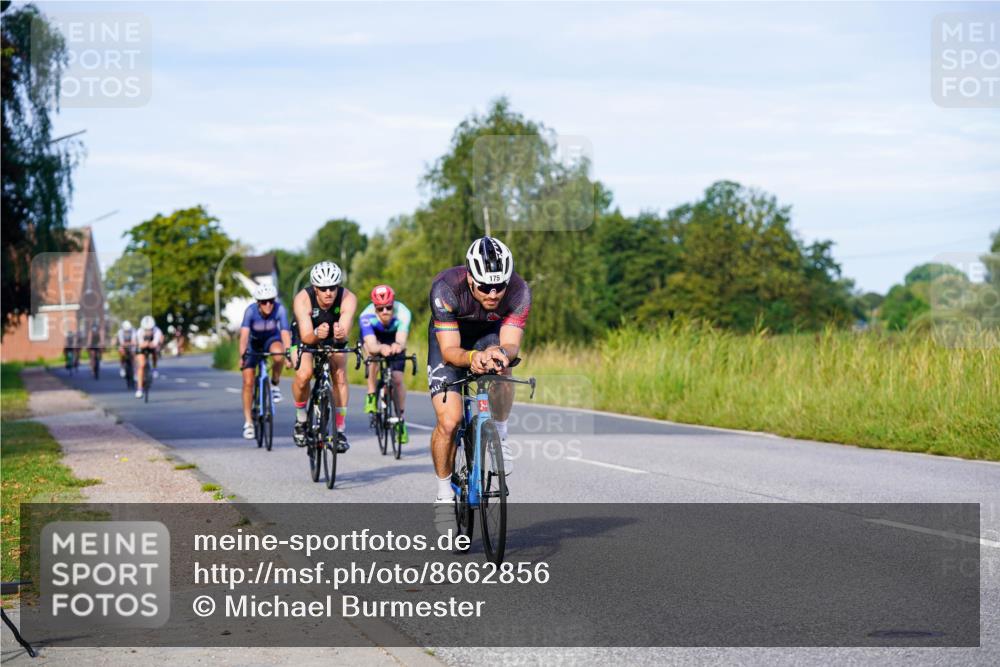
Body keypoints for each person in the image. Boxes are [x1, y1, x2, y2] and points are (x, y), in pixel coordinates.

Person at [427, 237, 531, 518]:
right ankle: (444, 495)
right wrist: (473, 358)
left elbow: (511, 343)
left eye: (500, 286)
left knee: (503, 366)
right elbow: (449, 352)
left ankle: (500, 433)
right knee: (449, 422)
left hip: (488, 336)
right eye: (485, 287)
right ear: (471, 278)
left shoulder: (519, 291)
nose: (493, 294)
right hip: (450, 340)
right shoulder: (446, 288)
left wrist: (500, 353)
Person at [290, 261, 358, 451]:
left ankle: (340, 429)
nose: (328, 293)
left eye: (332, 287)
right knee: (304, 374)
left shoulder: (348, 298)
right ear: (315, 288)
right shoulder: (302, 299)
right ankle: (301, 419)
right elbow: (306, 336)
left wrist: (340, 334)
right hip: (306, 334)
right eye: (323, 288)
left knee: (340, 374)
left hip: (332, 336)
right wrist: (316, 334)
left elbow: (344, 330)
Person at [360, 284, 412, 444]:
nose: (385, 311)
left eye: (388, 307)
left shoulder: (403, 312)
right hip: (374, 339)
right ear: (374, 307)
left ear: (393, 304)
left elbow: (401, 339)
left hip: (393, 338)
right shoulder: (366, 316)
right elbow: (371, 344)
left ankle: (400, 420)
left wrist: (398, 346)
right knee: (372, 355)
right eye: (380, 308)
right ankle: (371, 393)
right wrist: (381, 348)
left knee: (397, 379)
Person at [238, 283, 291, 439]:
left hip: (271, 339)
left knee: (279, 354)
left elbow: (285, 333)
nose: (268, 305)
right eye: (263, 302)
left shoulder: (280, 309)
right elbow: (244, 336)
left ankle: (274, 384)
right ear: (258, 303)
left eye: (271, 301)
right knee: (248, 382)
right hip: (253, 343)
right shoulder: (250, 311)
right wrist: (242, 356)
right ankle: (248, 422)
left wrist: (288, 355)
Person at [134, 315, 164, 399]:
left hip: (152, 346)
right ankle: (139, 389)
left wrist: (151, 344)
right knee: (141, 365)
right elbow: (140, 345)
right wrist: (145, 344)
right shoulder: (139, 332)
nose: (148, 331)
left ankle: (154, 368)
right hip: (142, 347)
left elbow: (155, 344)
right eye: (146, 330)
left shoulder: (157, 331)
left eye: (150, 329)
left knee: (156, 351)